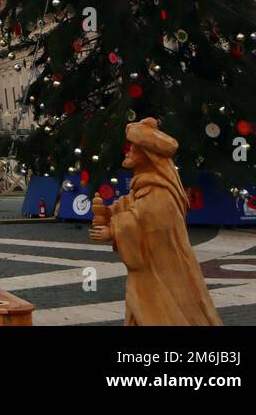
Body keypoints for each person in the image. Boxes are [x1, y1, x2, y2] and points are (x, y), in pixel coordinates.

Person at [89, 117, 222, 326]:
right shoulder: (145, 185)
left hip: (163, 270)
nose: (128, 151)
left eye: (133, 148)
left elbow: (147, 222)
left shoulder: (161, 192)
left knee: (162, 312)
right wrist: (108, 213)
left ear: (148, 155)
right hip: (153, 269)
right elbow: (132, 207)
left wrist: (113, 231)